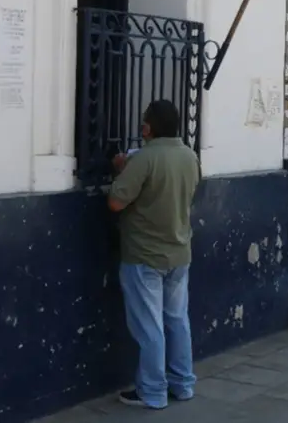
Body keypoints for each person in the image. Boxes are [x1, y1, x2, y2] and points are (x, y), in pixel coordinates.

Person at [108, 100, 201, 409]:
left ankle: (152, 391)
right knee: (177, 320)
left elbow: (116, 202)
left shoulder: (144, 158)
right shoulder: (190, 156)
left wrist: (122, 170)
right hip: (179, 252)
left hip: (145, 255)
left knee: (149, 327)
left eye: (144, 123)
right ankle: (183, 383)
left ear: (148, 127)